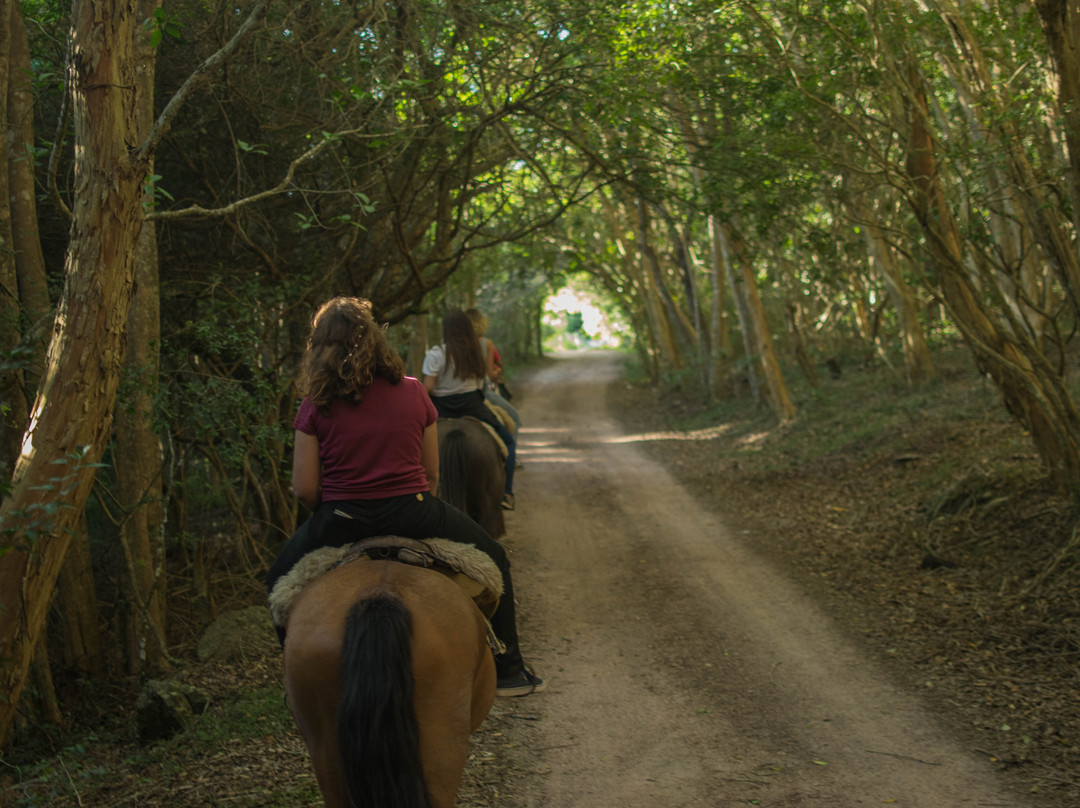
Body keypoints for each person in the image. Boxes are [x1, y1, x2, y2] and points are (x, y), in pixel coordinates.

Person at [266, 297, 544, 697]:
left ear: (320, 346)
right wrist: (412, 500)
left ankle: (294, 678)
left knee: (277, 580)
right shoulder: (414, 392)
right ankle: (510, 669)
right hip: (413, 512)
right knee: (496, 559)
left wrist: (330, 513)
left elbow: (306, 488)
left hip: (342, 518)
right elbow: (431, 473)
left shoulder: (315, 404)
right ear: (377, 341)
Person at [422, 310, 518, 511]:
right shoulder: (476, 352)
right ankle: (506, 493)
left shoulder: (436, 354)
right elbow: (483, 380)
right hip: (473, 406)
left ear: (446, 330)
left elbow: (428, 388)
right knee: (508, 442)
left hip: (441, 407)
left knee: (413, 448)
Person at [465, 308, 522, 432]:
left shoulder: (459, 344)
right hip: (482, 392)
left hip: (458, 395)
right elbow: (489, 375)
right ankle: (509, 451)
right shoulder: (487, 343)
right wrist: (498, 372)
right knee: (515, 418)